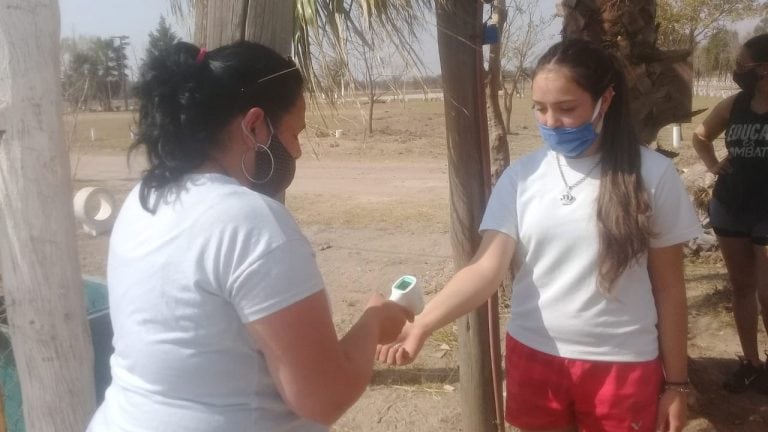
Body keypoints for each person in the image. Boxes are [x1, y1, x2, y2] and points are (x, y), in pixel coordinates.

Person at [378, 38, 701, 432]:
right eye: (540, 109)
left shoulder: (652, 175)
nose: (550, 122)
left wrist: (677, 383)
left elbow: (669, 288)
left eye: (567, 109)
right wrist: (423, 324)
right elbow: (485, 269)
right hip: (534, 358)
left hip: (622, 365)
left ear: (606, 100)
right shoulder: (521, 178)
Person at [86, 41, 411, 432]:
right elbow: (324, 397)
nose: (297, 150)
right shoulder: (251, 223)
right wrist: (375, 321)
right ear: (255, 125)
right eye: (294, 132)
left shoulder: (146, 198)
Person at [692, 34, 768, 394]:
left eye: (743, 64)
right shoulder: (735, 104)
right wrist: (713, 167)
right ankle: (751, 363)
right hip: (731, 207)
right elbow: (701, 135)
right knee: (742, 287)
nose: (738, 70)